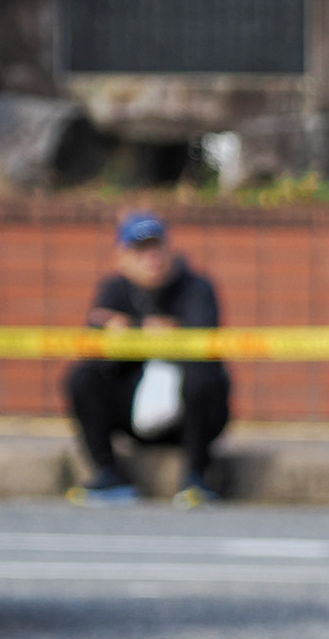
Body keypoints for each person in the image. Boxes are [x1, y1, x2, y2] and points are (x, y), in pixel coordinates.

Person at [63, 211, 231, 507]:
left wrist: (132, 331)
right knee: (82, 377)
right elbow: (100, 346)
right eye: (141, 250)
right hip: (132, 410)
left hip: (191, 416)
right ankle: (108, 475)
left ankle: (196, 477)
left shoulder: (197, 287)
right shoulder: (114, 289)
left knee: (202, 375)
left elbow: (198, 342)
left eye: (157, 246)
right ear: (122, 257)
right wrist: (155, 333)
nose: (151, 257)